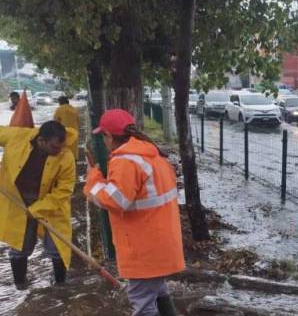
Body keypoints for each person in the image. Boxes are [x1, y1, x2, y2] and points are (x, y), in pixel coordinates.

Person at [83, 109, 183, 316]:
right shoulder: (151, 155)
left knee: (143, 303)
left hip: (143, 247)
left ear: (109, 136)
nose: (104, 141)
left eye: (103, 136)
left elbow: (115, 201)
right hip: (162, 243)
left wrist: (93, 180)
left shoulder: (126, 161)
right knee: (159, 291)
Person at [0, 121, 77, 289]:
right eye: (54, 147)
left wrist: (37, 209)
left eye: (61, 146)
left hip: (51, 206)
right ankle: (20, 287)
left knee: (58, 248)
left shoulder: (66, 157)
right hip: (18, 205)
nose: (59, 151)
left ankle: (60, 287)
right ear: (41, 141)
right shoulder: (17, 137)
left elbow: (64, 190)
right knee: (19, 246)